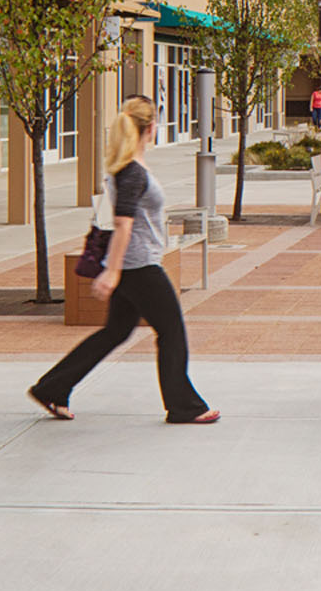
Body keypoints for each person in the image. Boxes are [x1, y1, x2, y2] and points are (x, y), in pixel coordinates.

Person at [30, 97, 218, 424]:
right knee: (172, 330)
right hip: (138, 266)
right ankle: (183, 405)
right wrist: (113, 271)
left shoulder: (130, 167)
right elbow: (122, 223)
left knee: (116, 331)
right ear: (150, 128)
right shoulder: (131, 172)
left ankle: (52, 388)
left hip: (132, 264)